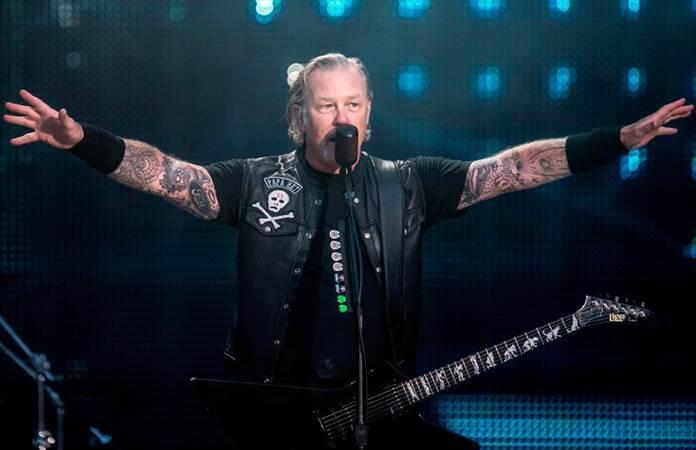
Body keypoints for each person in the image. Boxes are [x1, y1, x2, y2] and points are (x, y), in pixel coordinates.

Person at [3, 53, 693, 450]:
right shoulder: (255, 182)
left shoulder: (409, 184)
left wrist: (617, 140)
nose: (342, 118)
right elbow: (165, 175)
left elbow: (514, 168)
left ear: (369, 113)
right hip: (277, 415)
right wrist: (83, 141)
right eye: (326, 105)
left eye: (354, 105)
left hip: (379, 410)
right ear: (299, 115)